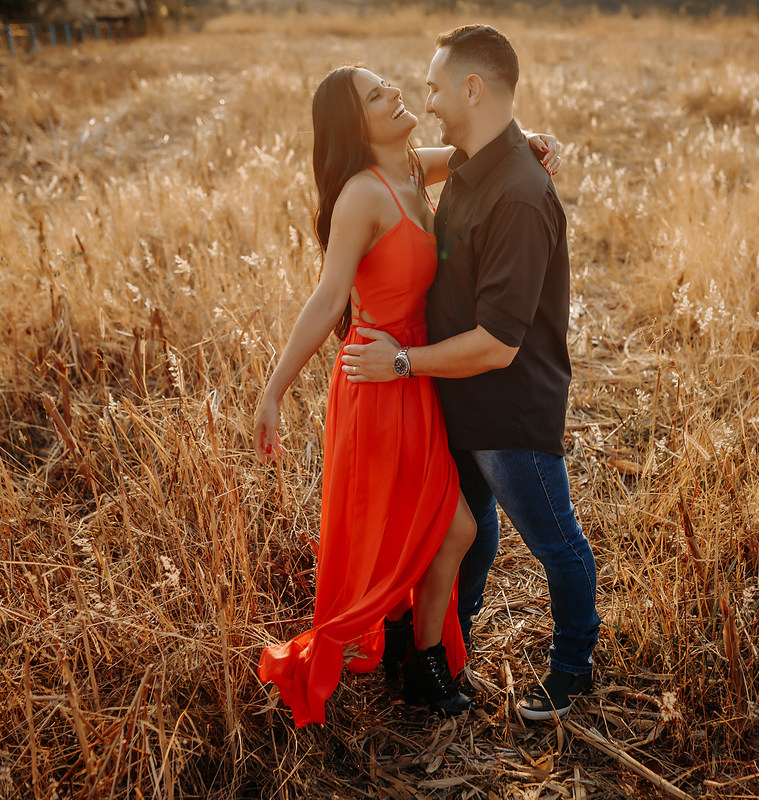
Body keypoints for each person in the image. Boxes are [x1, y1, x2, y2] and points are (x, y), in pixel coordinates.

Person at [252, 64, 561, 728]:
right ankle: (418, 662)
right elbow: (327, 299)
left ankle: (408, 657)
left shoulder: (414, 170)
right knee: (456, 529)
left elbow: (482, 146)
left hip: (414, 374)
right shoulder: (363, 195)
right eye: (376, 97)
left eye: (391, 87)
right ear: (353, 126)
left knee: (428, 532)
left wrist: (531, 139)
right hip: (376, 380)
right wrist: (274, 390)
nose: (396, 96)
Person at [340, 25, 602, 722]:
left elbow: (498, 345)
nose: (425, 101)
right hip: (453, 397)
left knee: (555, 543)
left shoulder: (517, 193)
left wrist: (399, 363)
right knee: (469, 531)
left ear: (472, 89)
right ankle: (450, 647)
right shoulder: (470, 161)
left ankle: (573, 668)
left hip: (508, 410)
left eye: (432, 87)